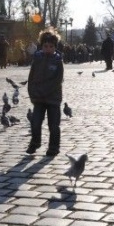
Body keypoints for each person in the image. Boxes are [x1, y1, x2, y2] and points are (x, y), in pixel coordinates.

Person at [27, 27, 65, 157]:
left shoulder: (58, 61)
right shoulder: (37, 60)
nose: (48, 49)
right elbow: (31, 78)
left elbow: (57, 81)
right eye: (45, 46)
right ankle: (35, 142)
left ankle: (53, 147)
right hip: (38, 98)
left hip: (53, 99)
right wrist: (32, 93)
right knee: (35, 122)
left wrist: (45, 91)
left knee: (53, 125)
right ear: (41, 46)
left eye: (50, 46)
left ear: (55, 47)